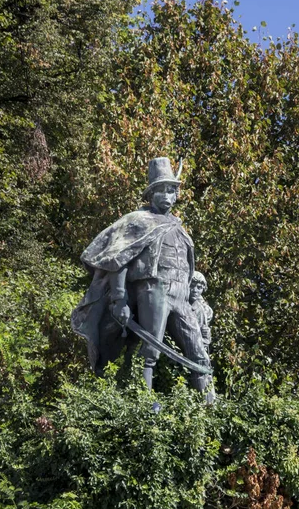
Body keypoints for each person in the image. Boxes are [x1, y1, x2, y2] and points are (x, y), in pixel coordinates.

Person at [71, 157, 212, 394]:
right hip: (153, 290)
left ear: (176, 195)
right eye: (160, 190)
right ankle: (143, 408)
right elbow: (118, 259)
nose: (166, 196)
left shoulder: (181, 230)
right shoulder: (138, 221)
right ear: (150, 194)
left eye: (170, 190)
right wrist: (119, 300)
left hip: (181, 295)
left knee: (198, 352)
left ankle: (209, 410)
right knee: (150, 349)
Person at [189, 271, 213, 354]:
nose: (195, 290)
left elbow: (205, 331)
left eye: (199, 288)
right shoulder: (180, 301)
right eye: (191, 286)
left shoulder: (204, 310)